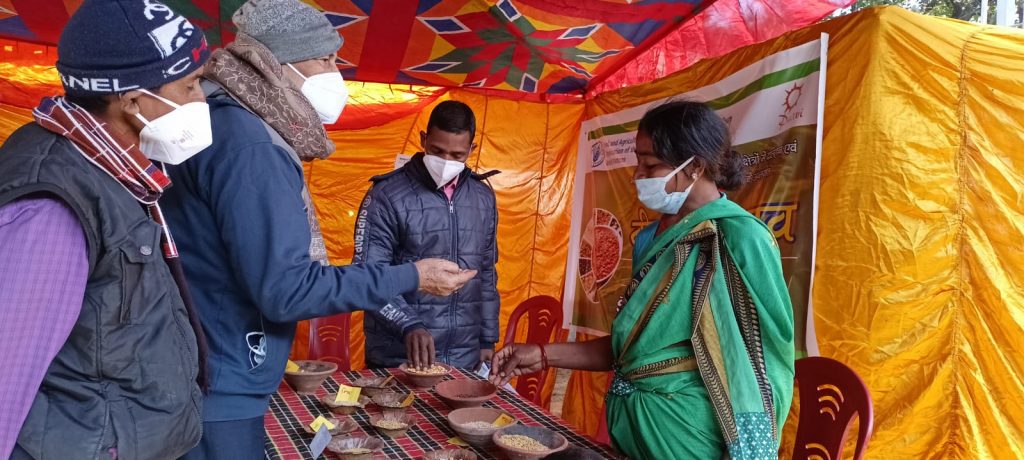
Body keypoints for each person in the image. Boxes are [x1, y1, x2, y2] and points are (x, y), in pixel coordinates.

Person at [159, 1, 475, 458]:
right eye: (326, 59)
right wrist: (413, 276)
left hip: (209, 362)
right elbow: (286, 289)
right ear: (281, 62)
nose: (336, 72)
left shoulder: (220, 114)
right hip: (222, 375)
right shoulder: (250, 145)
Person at [490, 100, 795, 459]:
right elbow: (631, 351)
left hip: (688, 442)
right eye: (639, 162)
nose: (638, 175)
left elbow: (762, 369)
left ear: (695, 166)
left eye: (650, 165)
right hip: (632, 432)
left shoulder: (740, 238)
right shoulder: (651, 239)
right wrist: (541, 354)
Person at [0, 0, 212, 458]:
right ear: (133, 100)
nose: (202, 99)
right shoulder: (52, 203)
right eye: (191, 85)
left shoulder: (111, 167)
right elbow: (6, 368)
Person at [353, 100, 500, 371]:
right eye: (437, 150)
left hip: (463, 359)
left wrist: (487, 340)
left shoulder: (483, 197)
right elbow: (367, 276)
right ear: (423, 139)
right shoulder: (386, 195)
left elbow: (486, 273)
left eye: (457, 155)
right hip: (399, 358)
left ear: (472, 149)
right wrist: (407, 324)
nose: (445, 162)